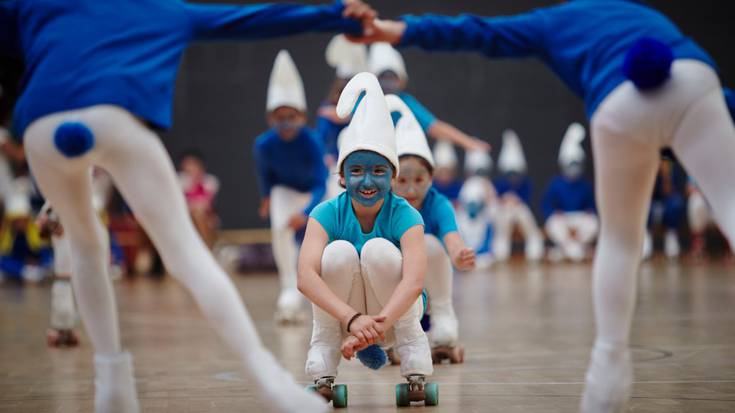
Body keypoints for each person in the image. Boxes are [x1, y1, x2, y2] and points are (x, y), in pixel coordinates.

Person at [355, 2, 735, 411]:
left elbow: (480, 32)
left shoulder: (555, 20)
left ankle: (605, 381)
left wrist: (400, 30)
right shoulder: (645, 13)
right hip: (695, 80)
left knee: (621, 242)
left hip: (618, 99)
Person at [1, 0, 377, 411]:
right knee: (185, 252)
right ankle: (269, 382)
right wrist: (338, 14)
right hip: (114, 117)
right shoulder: (159, 10)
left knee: (84, 246)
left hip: (41, 126)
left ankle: (111, 385)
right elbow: (250, 19)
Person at [297, 72, 435, 405]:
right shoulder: (325, 214)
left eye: (378, 170)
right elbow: (305, 277)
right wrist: (351, 320)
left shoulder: (406, 216)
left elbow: (414, 281)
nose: (367, 181)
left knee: (377, 249)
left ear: (393, 174)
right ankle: (325, 358)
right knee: (338, 253)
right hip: (347, 317)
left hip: (393, 315)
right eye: (356, 170)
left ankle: (411, 351)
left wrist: (377, 325)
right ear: (342, 176)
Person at [388, 94, 474, 363]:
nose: (411, 189)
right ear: (390, 178)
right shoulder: (383, 206)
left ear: (431, 178)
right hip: (394, 297)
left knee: (430, 244)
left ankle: (443, 313)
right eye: (402, 180)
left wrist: (459, 254)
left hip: (428, 285)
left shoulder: (438, 204)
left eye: (419, 179)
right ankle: (394, 327)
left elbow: (451, 238)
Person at [254, 50, 328, 324]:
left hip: (312, 192)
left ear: (301, 116)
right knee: (280, 231)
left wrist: (308, 211)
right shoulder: (263, 144)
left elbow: (321, 182)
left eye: (291, 116)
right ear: (271, 117)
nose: (286, 123)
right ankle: (288, 285)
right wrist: (265, 198)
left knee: (323, 237)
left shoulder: (312, 141)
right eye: (280, 116)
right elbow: (265, 175)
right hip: (284, 191)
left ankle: (321, 286)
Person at [368, 42, 490, 152]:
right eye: (383, 78)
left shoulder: (405, 102)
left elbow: (435, 127)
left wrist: (468, 142)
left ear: (400, 80)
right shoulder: (364, 100)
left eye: (391, 78)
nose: (388, 84)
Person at [318, 34, 369, 199]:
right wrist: (325, 154)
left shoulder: (366, 104)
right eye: (343, 85)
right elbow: (321, 135)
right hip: (334, 165)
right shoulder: (326, 109)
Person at [542, 123, 597, 262]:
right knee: (553, 224)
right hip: (563, 218)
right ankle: (575, 250)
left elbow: (592, 205)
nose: (573, 168)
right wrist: (554, 212)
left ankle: (568, 250)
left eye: (576, 164)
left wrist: (589, 211)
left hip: (580, 217)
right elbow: (546, 205)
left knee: (593, 223)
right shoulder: (555, 183)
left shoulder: (585, 184)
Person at [492, 130, 544, 262]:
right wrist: (505, 200)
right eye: (510, 173)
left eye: (515, 173)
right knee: (503, 222)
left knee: (524, 215)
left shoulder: (526, 183)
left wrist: (516, 201)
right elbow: (496, 199)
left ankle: (534, 248)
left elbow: (526, 199)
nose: (513, 177)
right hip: (505, 212)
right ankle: (500, 250)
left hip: (520, 210)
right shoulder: (499, 183)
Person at [178, 151, 220, 249]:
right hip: (185, 217)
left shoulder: (210, 181)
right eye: (187, 164)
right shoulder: (180, 181)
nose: (189, 167)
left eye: (192, 164)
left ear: (200, 165)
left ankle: (206, 248)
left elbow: (207, 205)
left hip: (206, 218)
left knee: (199, 214)